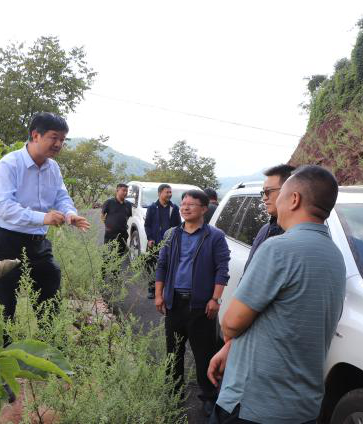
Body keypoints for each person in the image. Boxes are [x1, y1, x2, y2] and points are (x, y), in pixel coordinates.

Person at [207, 165, 346, 424]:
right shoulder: (335, 255)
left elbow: (231, 322)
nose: (270, 201)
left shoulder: (279, 248)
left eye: (277, 194)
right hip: (303, 409)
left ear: (294, 199)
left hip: (254, 405)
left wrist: (230, 335)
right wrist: (232, 347)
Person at [0, 112, 90, 323]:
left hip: (37, 243)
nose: (59, 144)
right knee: (3, 304)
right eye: (54, 137)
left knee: (50, 291)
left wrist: (70, 214)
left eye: (62, 139)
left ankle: (50, 341)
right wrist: (43, 218)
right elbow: (3, 207)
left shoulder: (53, 168)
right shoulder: (9, 164)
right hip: (5, 241)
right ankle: (3, 343)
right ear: (35, 135)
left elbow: (61, 197)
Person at [155, 189, 230, 416]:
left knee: (204, 354)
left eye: (191, 204)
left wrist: (215, 299)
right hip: (175, 303)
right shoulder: (171, 234)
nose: (185, 207)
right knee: (173, 353)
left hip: (201, 306)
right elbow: (162, 265)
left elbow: (222, 269)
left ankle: (208, 396)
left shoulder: (214, 236)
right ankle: (173, 393)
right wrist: (159, 295)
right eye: (183, 204)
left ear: (204, 209)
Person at [243, 164, 295, 271]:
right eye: (263, 192)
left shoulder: (297, 238)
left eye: (268, 192)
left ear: (287, 192)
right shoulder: (264, 230)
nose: (264, 198)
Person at [144, 183, 181, 299]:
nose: (170, 194)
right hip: (154, 242)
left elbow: (178, 226)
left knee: (168, 266)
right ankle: (152, 289)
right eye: (167, 192)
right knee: (152, 266)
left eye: (170, 192)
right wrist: (150, 238)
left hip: (169, 243)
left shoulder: (174, 208)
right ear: (160, 193)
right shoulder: (152, 207)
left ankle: (166, 291)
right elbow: (147, 225)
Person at [101, 183, 133, 256]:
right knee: (107, 254)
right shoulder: (109, 202)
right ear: (117, 190)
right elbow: (102, 215)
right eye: (123, 190)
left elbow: (127, 216)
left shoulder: (128, 204)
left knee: (120, 255)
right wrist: (107, 225)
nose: (125, 193)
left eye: (126, 191)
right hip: (110, 234)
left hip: (123, 234)